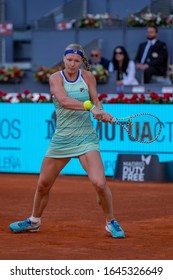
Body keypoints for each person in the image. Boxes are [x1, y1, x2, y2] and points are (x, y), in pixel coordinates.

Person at [9, 43, 125, 238]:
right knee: (43, 185)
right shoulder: (55, 78)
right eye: (69, 60)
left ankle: (111, 221)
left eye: (76, 61)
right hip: (62, 138)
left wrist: (101, 110)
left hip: (86, 137)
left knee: (99, 183)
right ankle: (34, 221)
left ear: (81, 62)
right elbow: (63, 100)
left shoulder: (88, 77)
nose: (72, 64)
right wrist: (90, 107)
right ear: (64, 59)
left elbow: (96, 100)